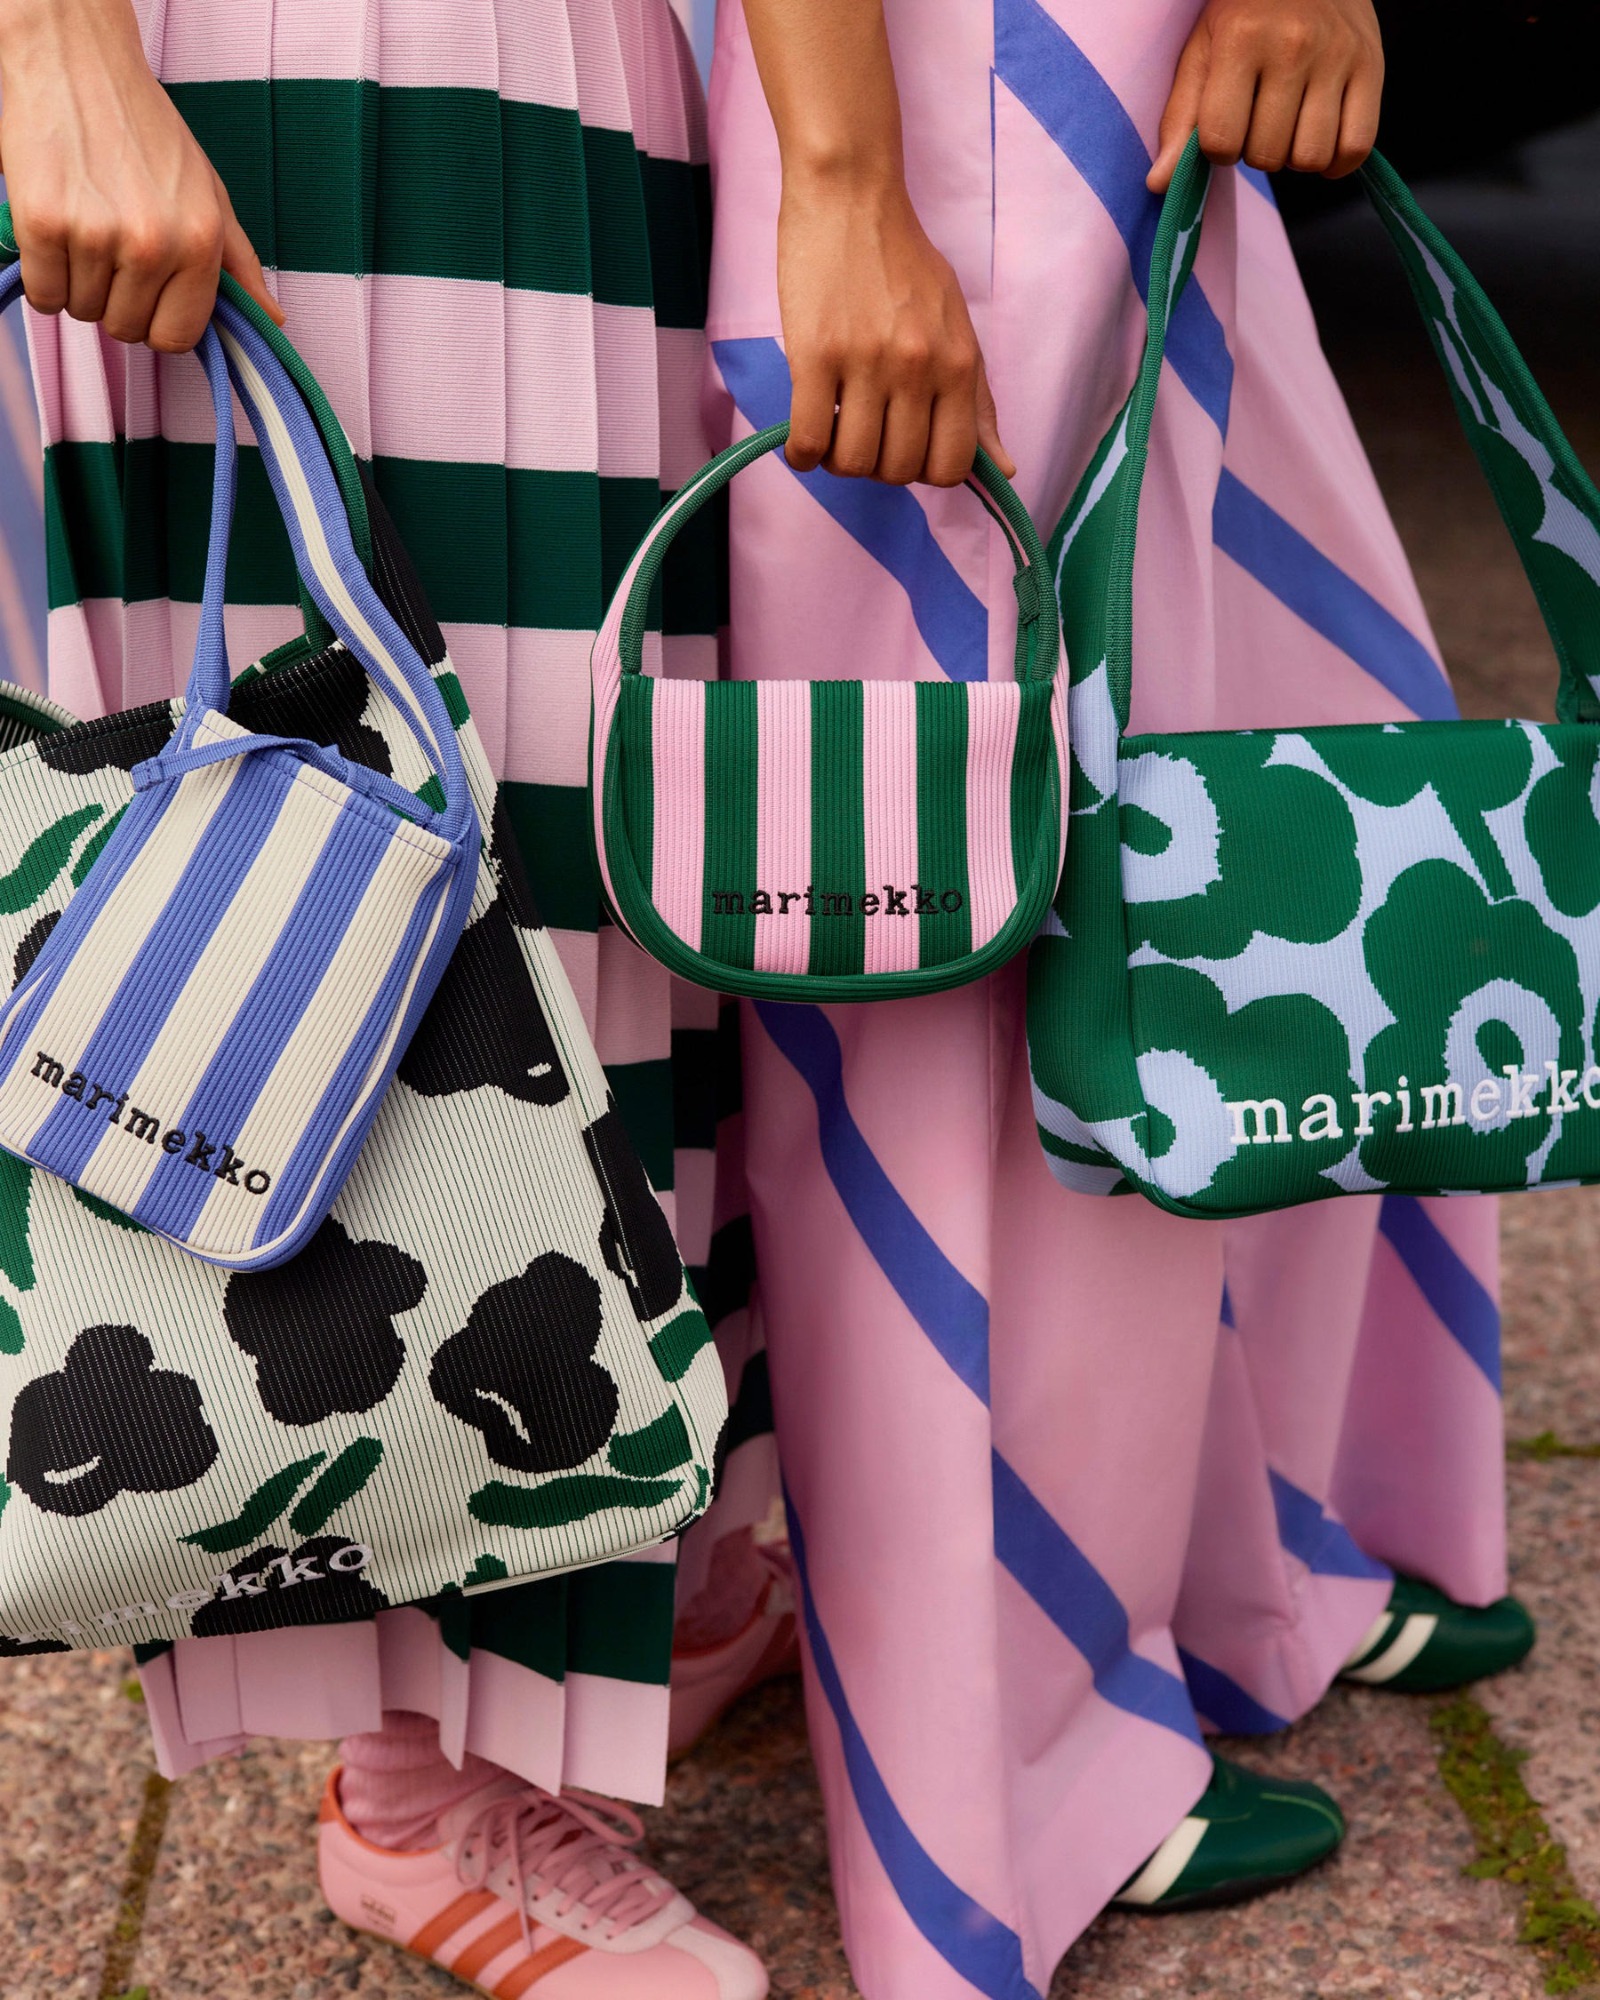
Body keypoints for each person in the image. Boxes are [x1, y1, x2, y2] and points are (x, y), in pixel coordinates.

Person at [690, 0, 1534, 1991]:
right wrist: (844, 182)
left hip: (1102, 74)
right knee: (958, 915)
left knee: (1218, 797)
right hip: (930, 80)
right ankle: (1003, 1758)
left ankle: (1226, 1557)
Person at [0, 0, 768, 1994]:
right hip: (277, 68)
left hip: (585, 84)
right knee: (300, 920)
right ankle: (420, 1779)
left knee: (581, 879)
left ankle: (633, 1585)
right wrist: (51, 49)